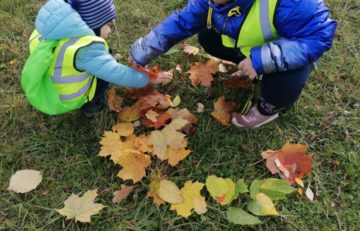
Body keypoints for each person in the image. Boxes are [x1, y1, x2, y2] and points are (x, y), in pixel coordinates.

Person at [129, 0, 337, 128]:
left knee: (285, 82)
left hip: (289, 53)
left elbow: (318, 35)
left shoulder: (292, 2)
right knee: (208, 37)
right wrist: (143, 51)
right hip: (251, 47)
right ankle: (254, 69)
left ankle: (268, 109)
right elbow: (182, 22)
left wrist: (262, 60)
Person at [22, 0, 161, 117]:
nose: (110, 30)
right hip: (67, 98)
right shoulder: (85, 50)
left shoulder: (46, 30)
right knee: (104, 71)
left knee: (100, 60)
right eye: (107, 25)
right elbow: (117, 74)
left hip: (49, 87)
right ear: (91, 25)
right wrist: (149, 78)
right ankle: (93, 105)